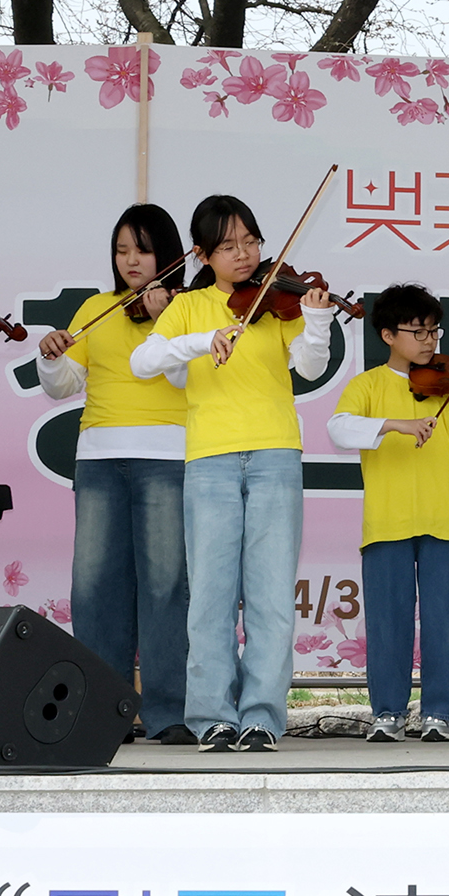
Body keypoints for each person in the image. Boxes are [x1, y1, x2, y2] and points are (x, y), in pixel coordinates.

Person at [129, 195, 338, 752]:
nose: (244, 255)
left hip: (275, 454)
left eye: (251, 241)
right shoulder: (190, 307)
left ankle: (263, 717)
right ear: (203, 254)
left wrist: (316, 321)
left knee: (270, 595)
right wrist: (204, 340)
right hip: (210, 460)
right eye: (228, 246)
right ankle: (212, 716)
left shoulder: (277, 302)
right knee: (212, 597)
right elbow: (143, 362)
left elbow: (312, 367)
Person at [326, 284, 449, 742]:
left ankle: (442, 712)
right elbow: (339, 429)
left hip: (442, 519)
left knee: (443, 623)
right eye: (416, 331)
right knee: (386, 624)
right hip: (387, 522)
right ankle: (387, 713)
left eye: (433, 330)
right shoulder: (368, 386)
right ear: (387, 335)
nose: (429, 340)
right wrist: (396, 424)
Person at [32, 204, 193, 743]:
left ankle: (171, 713)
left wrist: (164, 316)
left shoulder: (191, 307)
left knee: (167, 587)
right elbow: (62, 386)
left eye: (142, 250)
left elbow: (189, 380)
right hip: (98, 457)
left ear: (166, 255)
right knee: (96, 589)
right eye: (121, 250)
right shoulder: (95, 308)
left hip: (170, 456)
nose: (130, 260)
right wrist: (52, 357)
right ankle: (106, 712)